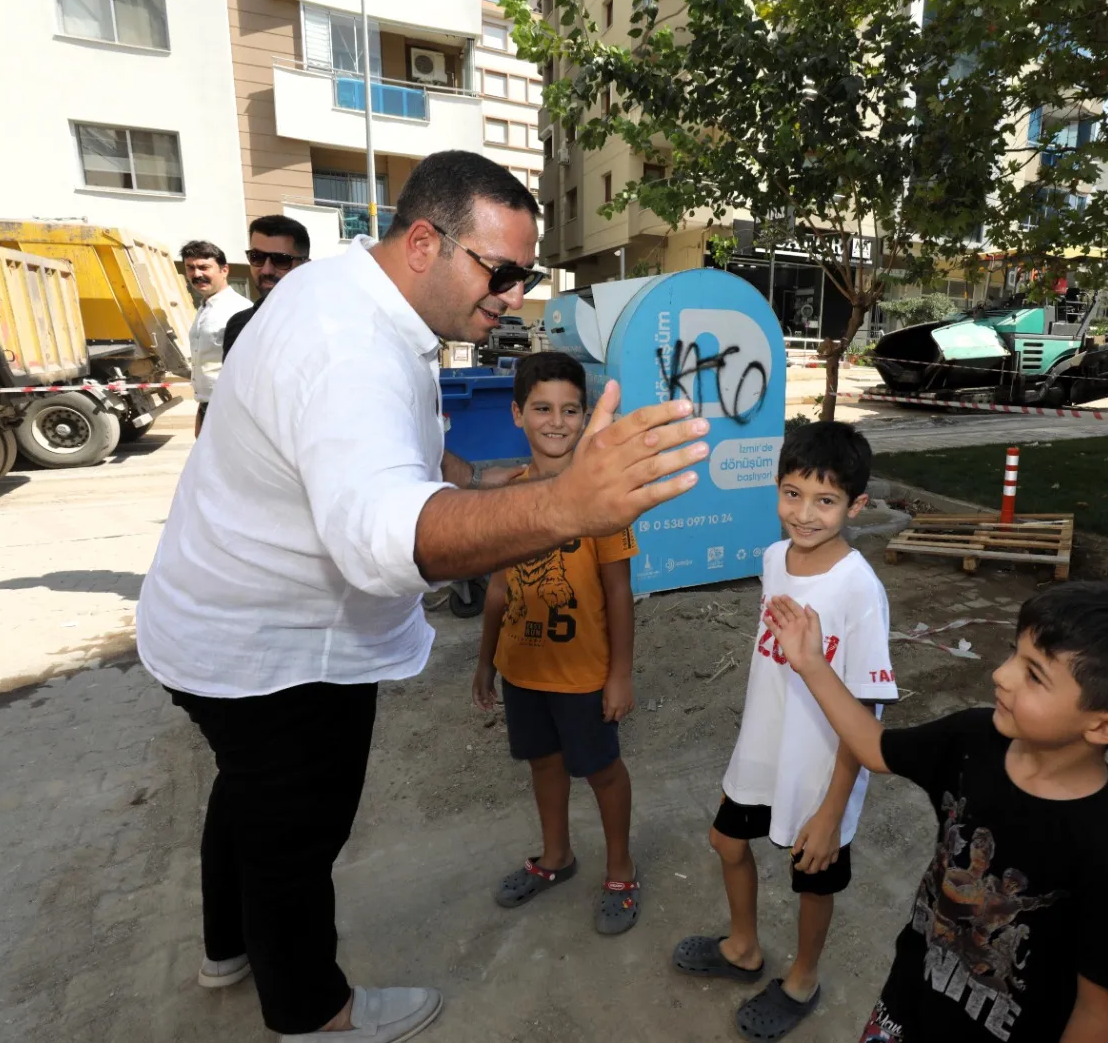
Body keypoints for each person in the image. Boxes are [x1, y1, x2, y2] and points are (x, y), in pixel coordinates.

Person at [137, 150, 709, 1043]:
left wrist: (489, 486)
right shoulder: (350, 345)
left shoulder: (344, 297)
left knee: (247, 793)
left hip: (221, 628)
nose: (515, 294)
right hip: (277, 650)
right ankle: (313, 1015)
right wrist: (563, 505)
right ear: (422, 242)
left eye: (527, 274)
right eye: (502, 270)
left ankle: (226, 947)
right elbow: (381, 534)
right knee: (295, 832)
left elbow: (396, 460)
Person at [762, 580, 1108, 1043]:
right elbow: (873, 748)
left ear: (1104, 726)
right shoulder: (972, 741)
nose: (1001, 674)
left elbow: (1100, 1013)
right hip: (907, 1000)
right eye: (1015, 653)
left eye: (1034, 674)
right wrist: (810, 662)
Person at [673, 421, 899, 1042]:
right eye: (792, 493)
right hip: (761, 753)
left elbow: (867, 710)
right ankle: (743, 947)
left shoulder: (859, 590)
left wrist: (832, 809)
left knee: (812, 879)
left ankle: (802, 978)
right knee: (727, 842)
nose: (804, 514)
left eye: (825, 501)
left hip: (821, 771)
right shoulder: (774, 559)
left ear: (856, 505)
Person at [472, 351, 641, 934]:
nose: (557, 420)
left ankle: (620, 868)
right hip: (522, 669)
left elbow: (618, 593)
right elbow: (498, 587)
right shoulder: (508, 497)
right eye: (542, 407)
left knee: (601, 769)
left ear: (586, 415)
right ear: (518, 413)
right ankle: (556, 857)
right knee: (542, 762)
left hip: (583, 674)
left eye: (571, 409)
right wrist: (485, 662)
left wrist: (619, 674)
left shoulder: (601, 500)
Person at [180, 240, 253, 436]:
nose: (196, 274)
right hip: (206, 406)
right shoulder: (204, 309)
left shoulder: (239, 311)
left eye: (204, 267)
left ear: (224, 270)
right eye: (190, 268)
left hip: (230, 410)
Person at [220, 215, 312, 364]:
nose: (266, 270)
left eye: (281, 260)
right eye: (257, 257)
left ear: (305, 265)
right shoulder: (239, 324)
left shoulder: (325, 323)